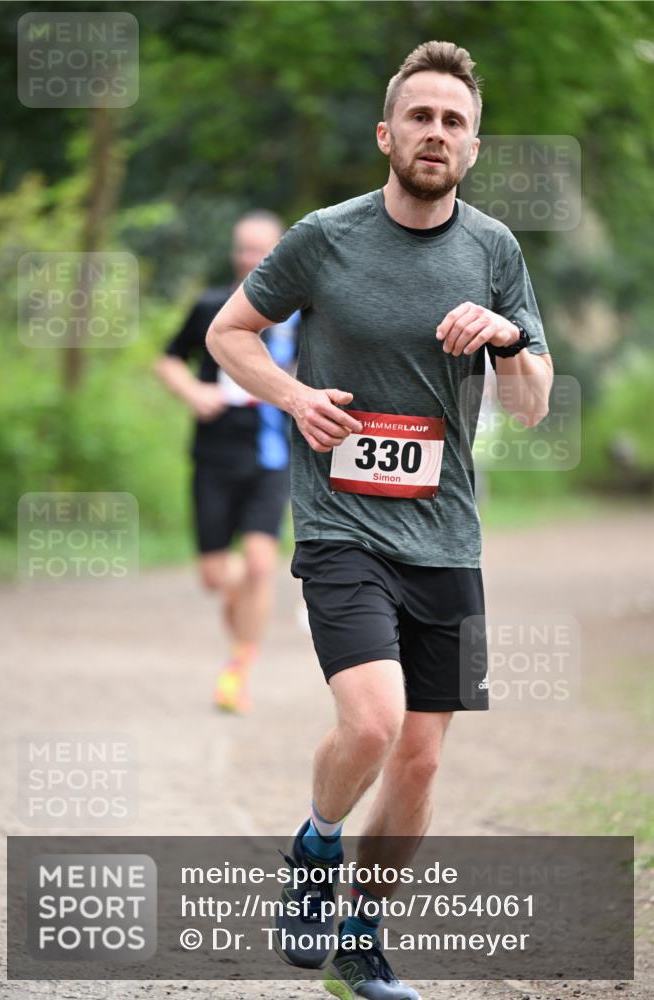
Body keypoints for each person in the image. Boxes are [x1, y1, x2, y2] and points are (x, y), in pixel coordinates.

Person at [207, 41, 553, 1000]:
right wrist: (291, 395)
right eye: (419, 117)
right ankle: (314, 849)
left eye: (452, 121)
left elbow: (529, 403)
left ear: (473, 146)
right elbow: (227, 333)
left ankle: (362, 941)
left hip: (447, 536)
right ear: (386, 134)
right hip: (340, 527)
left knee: (421, 758)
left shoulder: (494, 252)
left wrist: (510, 338)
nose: (434, 133)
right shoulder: (324, 237)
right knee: (371, 721)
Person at [155, 211, 297, 714]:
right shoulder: (212, 306)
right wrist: (194, 391)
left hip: (272, 457)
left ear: (281, 251)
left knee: (260, 564)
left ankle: (239, 670)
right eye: (243, 249)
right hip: (214, 456)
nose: (250, 258)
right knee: (216, 578)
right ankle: (244, 635)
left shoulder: (302, 316)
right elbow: (168, 358)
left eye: (261, 249)